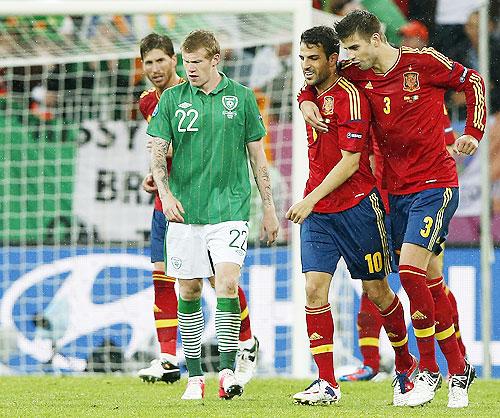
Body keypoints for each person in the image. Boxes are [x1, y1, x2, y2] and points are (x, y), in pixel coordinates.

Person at [298, 10, 485, 408]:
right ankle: (459, 366)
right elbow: (318, 81)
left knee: (412, 274)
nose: (347, 56)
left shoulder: (425, 62)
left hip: (435, 184)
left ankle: (432, 373)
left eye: (353, 47)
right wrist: (304, 99)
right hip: (394, 193)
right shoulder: (358, 73)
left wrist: (472, 131)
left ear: (376, 40)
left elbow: (473, 81)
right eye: (344, 50)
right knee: (431, 280)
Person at [287, 26, 417, 407]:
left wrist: (309, 198)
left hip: (359, 207)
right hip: (320, 215)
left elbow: (350, 162)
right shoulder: (310, 94)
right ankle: (327, 382)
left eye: (314, 58)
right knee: (314, 290)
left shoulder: (352, 98)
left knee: (376, 291)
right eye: (302, 58)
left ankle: (406, 365)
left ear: (332, 59)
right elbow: (306, 90)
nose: (306, 66)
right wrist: (302, 99)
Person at [147, 30, 279, 401]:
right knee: (187, 289)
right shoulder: (171, 100)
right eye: (186, 63)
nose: (190, 69)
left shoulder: (241, 97)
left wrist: (268, 208)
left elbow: (257, 157)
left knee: (225, 283)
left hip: (231, 210)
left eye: (197, 62)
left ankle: (226, 372)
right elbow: (157, 155)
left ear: (215, 60)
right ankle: (194, 378)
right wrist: (166, 194)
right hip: (186, 211)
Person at [341, 24, 467, 383]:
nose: (410, 42)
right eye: (405, 36)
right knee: (374, 278)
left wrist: (467, 137)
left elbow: (445, 145)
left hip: (425, 191)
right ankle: (372, 361)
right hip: (382, 193)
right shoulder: (361, 77)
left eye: (416, 37)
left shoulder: (426, 82)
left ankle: (452, 360)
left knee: (427, 277)